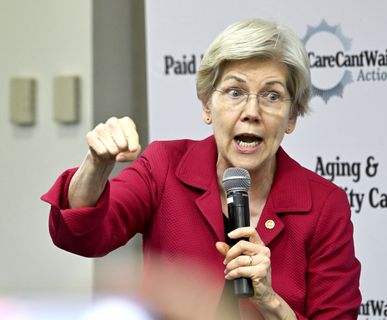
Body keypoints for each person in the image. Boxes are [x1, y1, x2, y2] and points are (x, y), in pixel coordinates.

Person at [41, 18, 361, 319]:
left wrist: (271, 302)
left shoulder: (324, 206)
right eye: (235, 92)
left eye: (272, 96)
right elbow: (79, 235)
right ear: (207, 106)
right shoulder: (164, 166)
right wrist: (97, 164)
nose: (252, 111)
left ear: (292, 117)